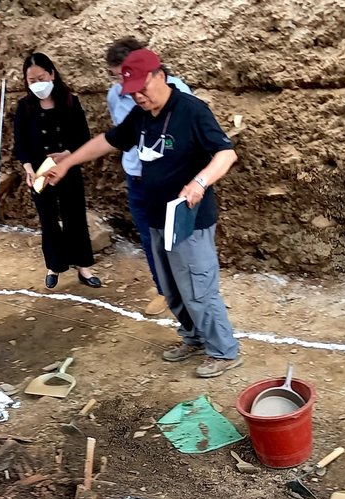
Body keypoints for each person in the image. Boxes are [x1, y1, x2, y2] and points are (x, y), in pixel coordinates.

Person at [45, 49, 243, 378]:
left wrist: (199, 182)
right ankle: (192, 338)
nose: (137, 96)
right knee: (172, 286)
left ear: (160, 76)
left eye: (142, 88)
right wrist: (66, 163)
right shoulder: (141, 115)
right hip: (155, 216)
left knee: (197, 287)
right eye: (131, 91)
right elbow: (107, 141)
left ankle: (224, 351)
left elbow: (226, 154)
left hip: (188, 219)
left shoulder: (192, 110)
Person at [105, 38, 193, 315]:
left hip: (170, 181)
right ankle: (164, 290)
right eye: (117, 77)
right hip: (137, 178)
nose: (123, 84)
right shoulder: (114, 96)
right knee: (149, 237)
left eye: (126, 75)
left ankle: (190, 292)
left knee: (179, 239)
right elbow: (119, 136)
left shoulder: (176, 92)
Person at [13, 53, 100, 290]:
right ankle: (54, 265)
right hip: (40, 172)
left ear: (52, 74)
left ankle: (83, 265)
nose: (37, 84)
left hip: (68, 167)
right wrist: (29, 170)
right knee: (48, 219)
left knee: (75, 216)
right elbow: (20, 144)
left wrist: (69, 154)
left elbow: (83, 136)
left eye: (41, 77)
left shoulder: (70, 101)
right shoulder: (24, 107)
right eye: (32, 80)